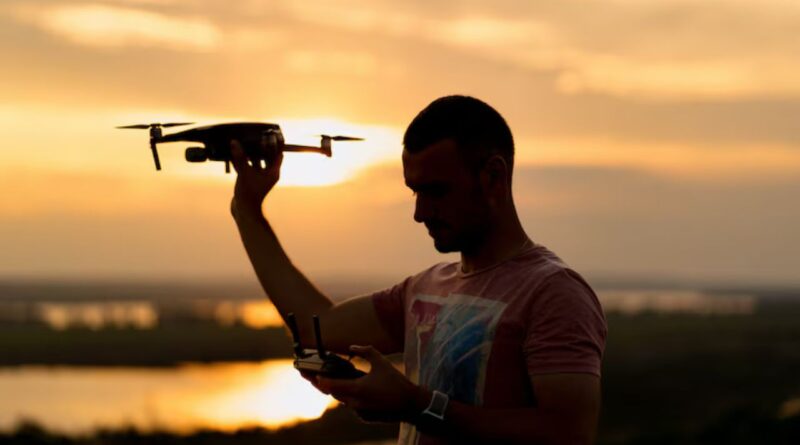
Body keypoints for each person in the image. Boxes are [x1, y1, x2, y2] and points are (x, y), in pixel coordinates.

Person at [229, 95, 607, 445]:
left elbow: (567, 434)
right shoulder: (425, 288)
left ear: (493, 177)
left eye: (436, 191)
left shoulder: (553, 293)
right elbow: (319, 326)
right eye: (414, 191)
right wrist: (247, 211)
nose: (419, 213)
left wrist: (415, 405)